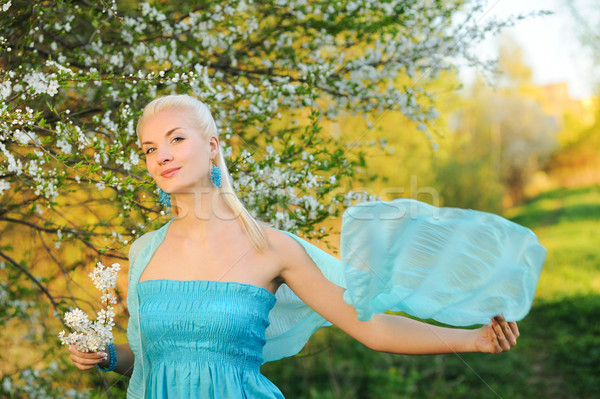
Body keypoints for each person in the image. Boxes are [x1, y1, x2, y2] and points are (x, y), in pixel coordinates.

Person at [68, 94, 533, 398]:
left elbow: (370, 328)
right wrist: (109, 356)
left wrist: (473, 340)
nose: (161, 155)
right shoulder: (144, 251)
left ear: (211, 147)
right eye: (149, 148)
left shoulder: (271, 248)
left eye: (175, 139)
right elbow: (154, 366)